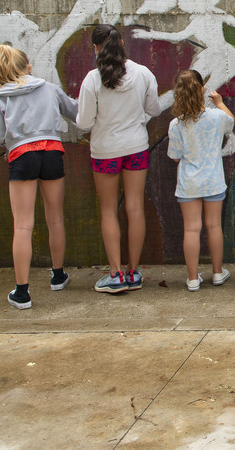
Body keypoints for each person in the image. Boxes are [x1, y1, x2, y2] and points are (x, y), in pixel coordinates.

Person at [0, 45, 78, 309]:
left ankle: (22, 292)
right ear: (28, 65)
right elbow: (75, 112)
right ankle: (58, 275)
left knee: (23, 225)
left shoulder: (0, 96)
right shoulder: (49, 88)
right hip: (52, 150)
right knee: (55, 216)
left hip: (22, 156)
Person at [77, 24, 162, 293]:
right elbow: (154, 109)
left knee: (108, 210)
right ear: (122, 42)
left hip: (105, 151)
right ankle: (134, 273)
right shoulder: (143, 73)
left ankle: (115, 275)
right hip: (136, 147)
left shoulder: (92, 80)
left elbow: (84, 122)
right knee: (135, 206)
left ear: (95, 48)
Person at [168, 70, 235, 291]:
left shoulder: (176, 125)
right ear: (203, 89)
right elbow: (231, 122)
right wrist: (220, 102)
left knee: (191, 230)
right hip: (213, 180)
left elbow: (175, 156)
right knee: (214, 226)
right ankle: (217, 273)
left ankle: (193, 278)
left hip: (189, 183)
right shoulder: (217, 117)